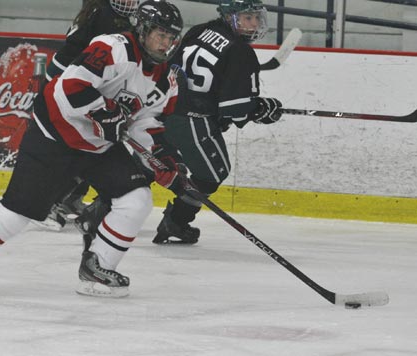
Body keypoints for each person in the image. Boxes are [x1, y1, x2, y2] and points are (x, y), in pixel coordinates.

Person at [0, 0, 184, 297]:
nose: (166, 43)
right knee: (16, 215)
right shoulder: (112, 48)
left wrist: (163, 157)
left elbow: (145, 121)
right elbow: (68, 89)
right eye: (160, 34)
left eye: (171, 37)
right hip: (54, 138)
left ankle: (97, 270)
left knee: (137, 199)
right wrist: (105, 112)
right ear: (142, 30)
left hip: (98, 147)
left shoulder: (167, 78)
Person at [77, 0, 284, 245]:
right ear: (230, 16)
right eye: (247, 18)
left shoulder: (200, 30)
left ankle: (97, 212)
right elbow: (235, 110)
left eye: (256, 18)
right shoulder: (241, 51)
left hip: (163, 106)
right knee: (212, 173)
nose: (254, 24)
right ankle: (176, 222)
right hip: (193, 119)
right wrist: (260, 109)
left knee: (148, 163)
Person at [36, 0, 139, 231]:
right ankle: (45, 203)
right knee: (77, 151)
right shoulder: (107, 18)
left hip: (69, 86)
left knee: (90, 147)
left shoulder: (98, 12)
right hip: (65, 89)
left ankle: (70, 199)